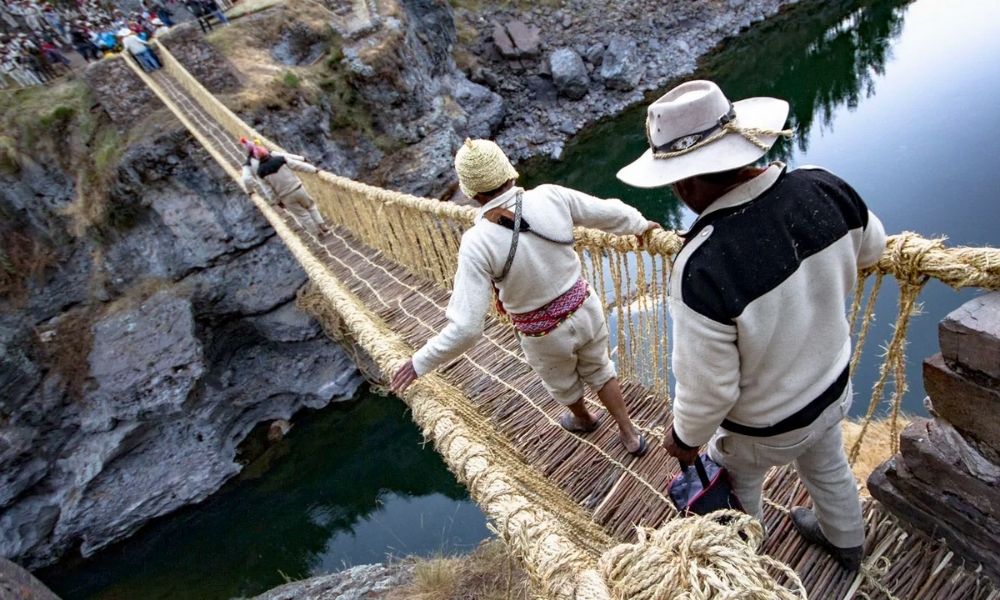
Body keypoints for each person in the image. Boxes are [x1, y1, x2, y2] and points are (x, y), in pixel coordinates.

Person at [617, 80, 886, 570]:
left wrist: (683, 437)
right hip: (831, 390)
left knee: (736, 484)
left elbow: (709, 390)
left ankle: (748, 563)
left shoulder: (701, 264)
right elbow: (873, 249)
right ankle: (847, 544)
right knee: (829, 468)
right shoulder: (823, 186)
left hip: (764, 430)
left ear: (685, 182)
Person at [390, 139, 661, 456]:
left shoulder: (476, 243)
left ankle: (584, 418)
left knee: (562, 383)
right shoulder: (551, 196)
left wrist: (420, 361)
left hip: (543, 335)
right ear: (510, 173)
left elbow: (467, 329)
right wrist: (641, 225)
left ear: (471, 193)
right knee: (601, 370)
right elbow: (607, 212)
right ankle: (629, 433)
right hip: (584, 309)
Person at [238, 137, 330, 236]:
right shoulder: (279, 159)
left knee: (303, 216)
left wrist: (275, 201)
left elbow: (266, 189)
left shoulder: (258, 172)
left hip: (285, 197)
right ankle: (322, 225)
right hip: (298, 188)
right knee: (311, 206)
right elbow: (297, 165)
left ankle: (317, 234)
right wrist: (313, 168)